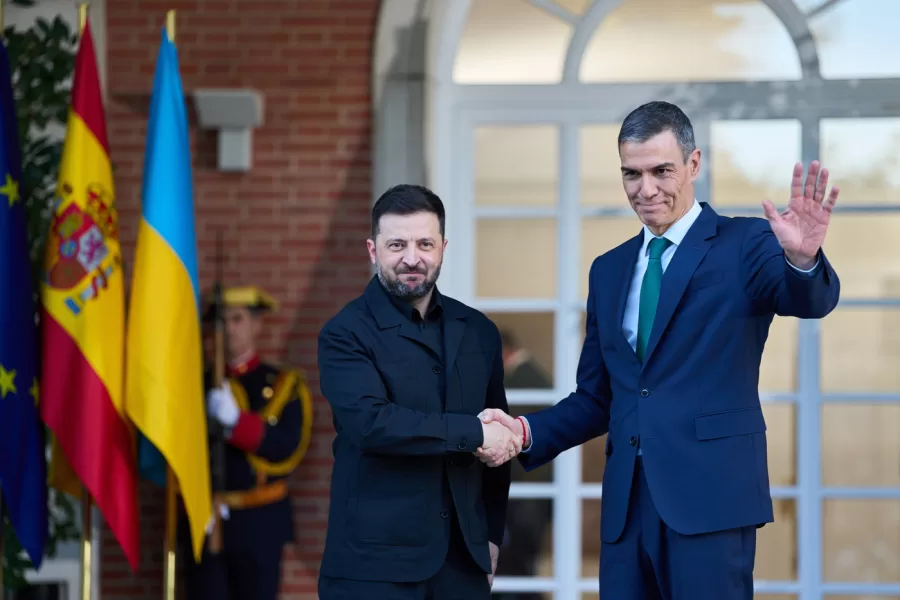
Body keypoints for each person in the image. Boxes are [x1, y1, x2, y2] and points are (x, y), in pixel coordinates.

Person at [478, 101, 841, 599]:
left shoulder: (746, 243)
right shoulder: (609, 270)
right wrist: (524, 431)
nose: (645, 189)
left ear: (694, 165)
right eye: (632, 173)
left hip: (711, 504)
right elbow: (598, 397)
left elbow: (809, 300)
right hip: (627, 511)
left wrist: (802, 260)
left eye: (661, 171)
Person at [316, 184, 517, 600]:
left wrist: (492, 538)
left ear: (443, 247)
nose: (412, 258)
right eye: (397, 244)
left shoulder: (479, 331)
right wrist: (472, 432)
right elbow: (372, 424)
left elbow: (499, 445)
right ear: (373, 251)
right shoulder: (344, 333)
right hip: (372, 571)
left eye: (425, 243)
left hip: (463, 565)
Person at [180, 285, 314, 600]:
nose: (228, 328)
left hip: (259, 523)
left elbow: (287, 448)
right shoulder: (196, 384)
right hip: (206, 518)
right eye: (221, 321)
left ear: (257, 325)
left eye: (238, 319)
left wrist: (238, 423)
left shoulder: (282, 384)